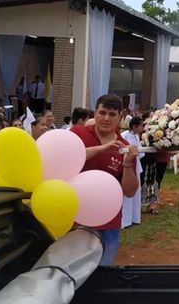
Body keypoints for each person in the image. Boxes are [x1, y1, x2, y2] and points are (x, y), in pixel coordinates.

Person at [70, 94, 138, 265]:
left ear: (120, 118)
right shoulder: (77, 134)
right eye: (102, 112)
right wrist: (101, 149)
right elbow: (66, 159)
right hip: (74, 218)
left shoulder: (124, 148)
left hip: (108, 222)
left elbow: (130, 192)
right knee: (71, 270)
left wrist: (128, 164)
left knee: (103, 272)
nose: (106, 118)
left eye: (112, 114)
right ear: (95, 114)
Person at [120, 117, 144, 228]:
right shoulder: (124, 135)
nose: (142, 128)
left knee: (136, 191)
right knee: (127, 194)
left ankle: (134, 218)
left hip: (136, 164)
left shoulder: (136, 136)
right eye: (141, 125)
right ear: (134, 126)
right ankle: (125, 220)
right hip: (128, 165)